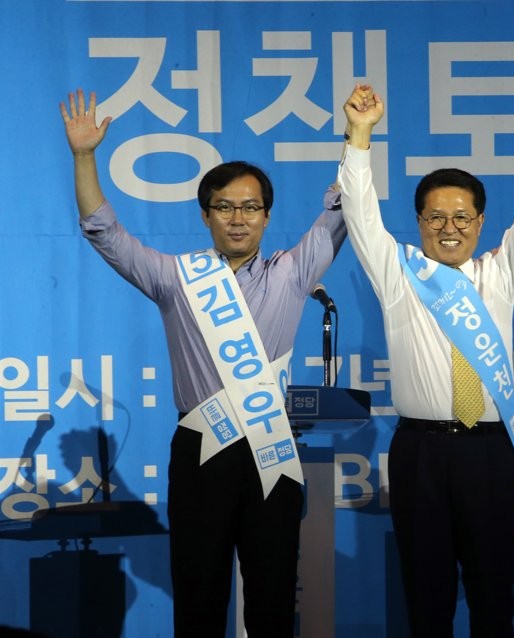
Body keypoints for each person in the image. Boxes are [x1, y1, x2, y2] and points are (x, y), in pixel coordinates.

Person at [61, 88, 348, 637]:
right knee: (199, 593)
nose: (238, 219)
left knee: (272, 594)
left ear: (267, 216)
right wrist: (83, 156)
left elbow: (344, 209)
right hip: (201, 450)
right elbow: (104, 232)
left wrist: (357, 136)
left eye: (250, 207)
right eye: (224, 207)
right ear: (205, 214)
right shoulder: (174, 277)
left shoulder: (293, 273)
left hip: (270, 445)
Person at [336, 83, 514, 637]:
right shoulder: (398, 273)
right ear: (419, 221)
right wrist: (360, 135)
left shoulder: (502, 271)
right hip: (420, 451)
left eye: (463, 218)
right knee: (427, 593)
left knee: (493, 591)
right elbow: (360, 211)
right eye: (436, 218)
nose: (450, 229)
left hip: (489, 451)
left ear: (481, 221)